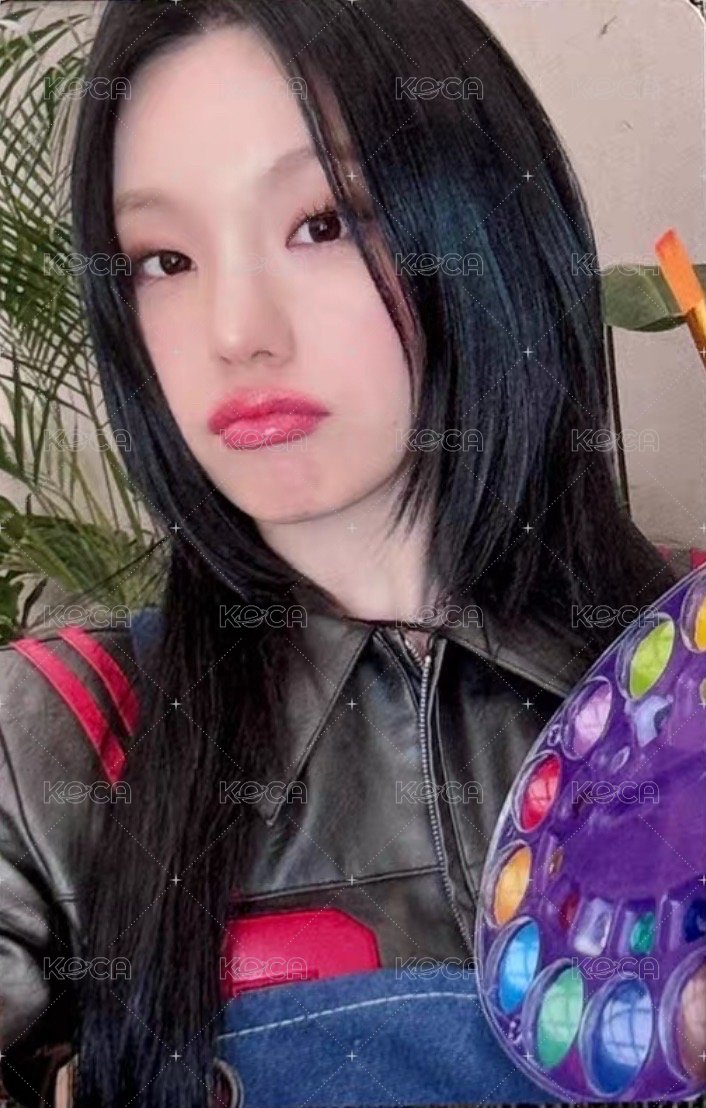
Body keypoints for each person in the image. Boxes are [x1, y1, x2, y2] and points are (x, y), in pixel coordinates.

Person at [0, 0, 676, 1105]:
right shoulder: (47, 747)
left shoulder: (680, 677)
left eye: (321, 224)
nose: (236, 332)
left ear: (479, 231)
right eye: (164, 258)